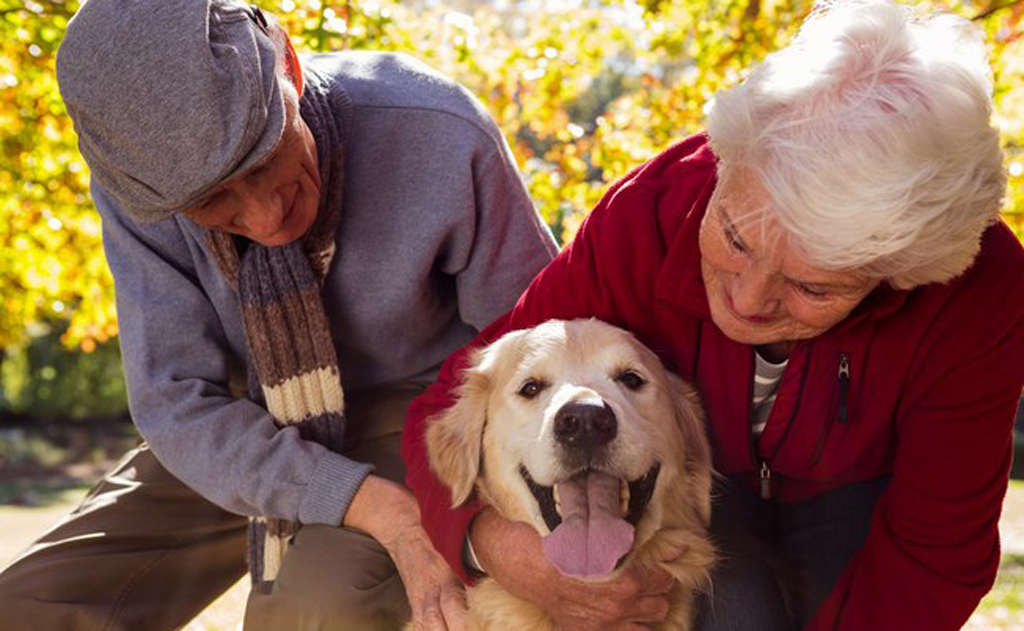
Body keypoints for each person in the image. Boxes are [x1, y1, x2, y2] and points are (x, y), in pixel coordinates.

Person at [402, 0, 1024, 629]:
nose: (747, 301)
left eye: (811, 286)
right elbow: (450, 411)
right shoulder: (649, 213)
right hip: (701, 491)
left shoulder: (981, 291)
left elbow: (933, 552)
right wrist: (496, 547)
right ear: (728, 164)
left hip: (863, 497)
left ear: (902, 274)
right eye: (734, 237)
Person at [0, 0, 558, 629]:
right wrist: (371, 506)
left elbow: (541, 356)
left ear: (289, 64)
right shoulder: (143, 196)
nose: (267, 219)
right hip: (242, 420)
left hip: (425, 410)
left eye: (265, 158)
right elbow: (176, 402)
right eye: (214, 202)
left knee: (309, 615)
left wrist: (454, 520)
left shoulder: (436, 128)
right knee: (23, 610)